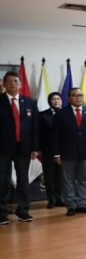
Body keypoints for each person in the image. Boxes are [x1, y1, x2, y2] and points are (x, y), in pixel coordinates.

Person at [0, 71, 40, 224]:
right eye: (9, 81)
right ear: (4, 84)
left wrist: (35, 148)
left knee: (23, 180)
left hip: (23, 148)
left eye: (15, 81)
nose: (12, 83)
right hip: (2, 149)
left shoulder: (30, 103)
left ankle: (23, 210)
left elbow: (35, 127)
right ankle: (2, 212)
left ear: (20, 84)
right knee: (2, 180)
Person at [53, 87, 86, 216]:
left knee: (84, 179)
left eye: (80, 95)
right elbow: (55, 135)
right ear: (69, 98)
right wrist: (56, 153)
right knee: (68, 180)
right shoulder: (61, 113)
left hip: (85, 152)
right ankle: (71, 205)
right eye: (74, 95)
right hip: (67, 153)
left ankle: (81, 204)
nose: (78, 98)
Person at [39, 91, 65, 208]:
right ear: (49, 102)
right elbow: (38, 133)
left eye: (58, 99)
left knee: (61, 176)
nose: (56, 101)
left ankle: (60, 198)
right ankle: (51, 199)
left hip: (63, 150)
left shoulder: (66, 113)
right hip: (48, 150)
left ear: (62, 101)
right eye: (54, 99)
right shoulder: (42, 115)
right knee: (49, 176)